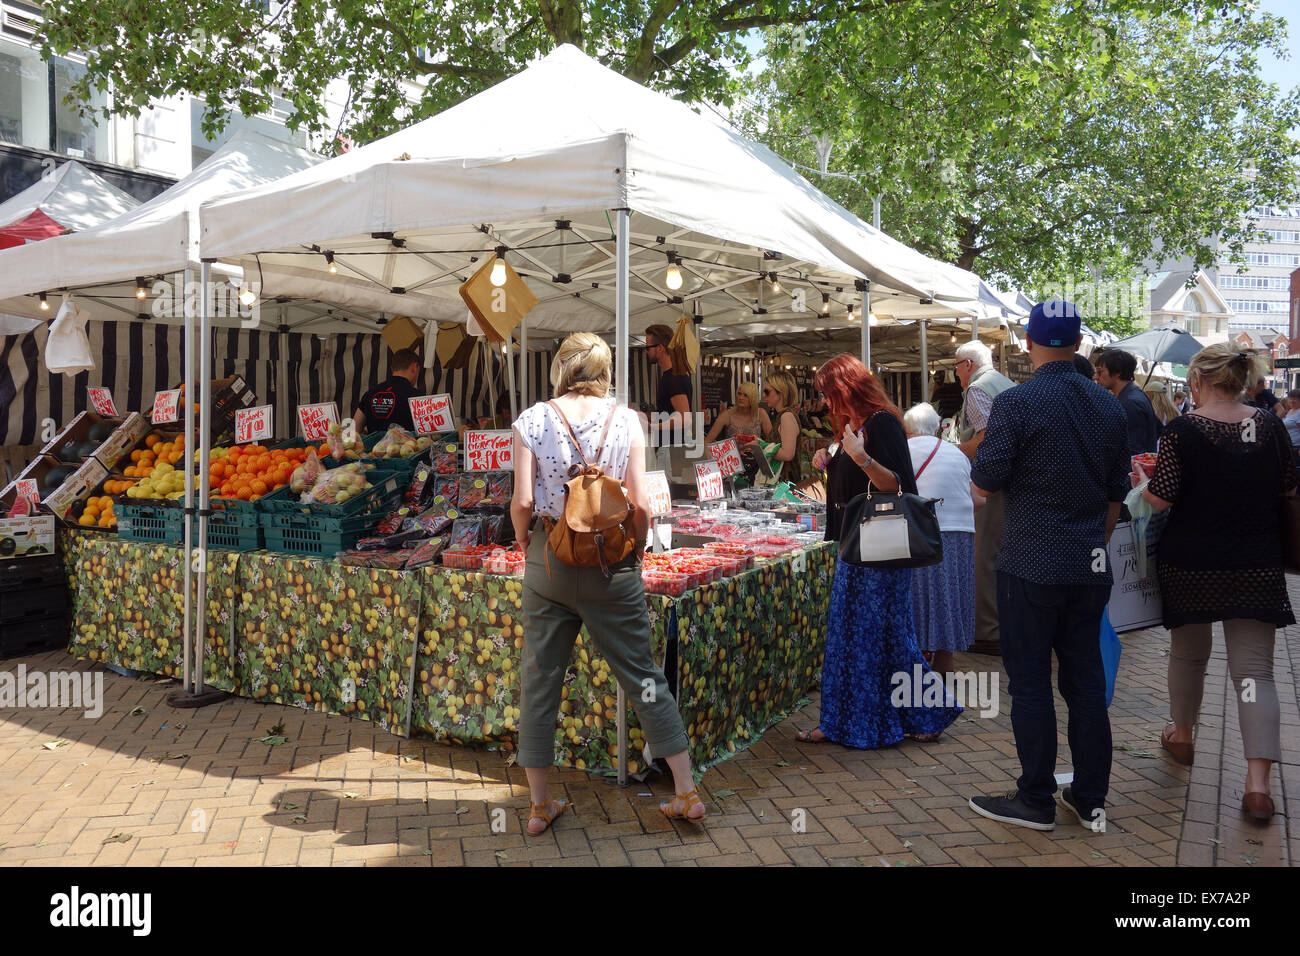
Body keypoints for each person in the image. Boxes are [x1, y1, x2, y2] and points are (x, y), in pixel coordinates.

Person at [510, 333, 705, 832]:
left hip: (549, 560)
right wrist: (635, 549)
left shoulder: (533, 419)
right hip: (611, 562)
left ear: (561, 367)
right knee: (642, 677)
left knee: (539, 680)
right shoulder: (628, 420)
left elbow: (525, 502)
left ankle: (537, 805)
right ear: (604, 368)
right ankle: (685, 790)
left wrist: (522, 543)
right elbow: (641, 505)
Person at [967, 300, 1129, 832]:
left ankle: (1035, 798)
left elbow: (985, 483)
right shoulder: (1109, 406)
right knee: (1084, 680)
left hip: (1030, 561)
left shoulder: (1017, 404)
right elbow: (1115, 493)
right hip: (1089, 563)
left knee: (1031, 682)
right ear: (1080, 341)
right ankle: (1090, 797)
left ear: (1029, 342)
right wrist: (1093, 543)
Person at [1135, 346, 1296, 823]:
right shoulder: (1268, 424)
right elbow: (1288, 482)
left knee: (1188, 654)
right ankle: (1258, 786)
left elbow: (1161, 500)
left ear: (1199, 381)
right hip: (1255, 560)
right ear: (1243, 379)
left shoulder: (1184, 430)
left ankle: (1182, 735)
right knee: (1254, 674)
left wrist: (1142, 480)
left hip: (1192, 561)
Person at [798, 355, 960, 747]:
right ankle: (840, 721)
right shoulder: (852, 426)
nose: (824, 401)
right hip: (852, 546)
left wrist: (859, 457)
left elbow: (899, 486)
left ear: (847, 387)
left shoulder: (883, 423)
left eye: (828, 392)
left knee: (880, 637)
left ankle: (917, 712)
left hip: (879, 550)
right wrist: (830, 461)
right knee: (847, 639)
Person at [903, 402, 982, 675]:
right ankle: (945, 663)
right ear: (937, 428)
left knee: (918, 595)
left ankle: (917, 662)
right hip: (959, 532)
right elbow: (975, 499)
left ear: (907, 428)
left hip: (918, 531)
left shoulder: (903, 450)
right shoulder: (956, 453)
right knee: (950, 595)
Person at [952, 340, 1016, 657]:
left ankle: (987, 631)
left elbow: (988, 434)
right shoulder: (1004, 382)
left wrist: (956, 450)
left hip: (991, 483)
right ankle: (1001, 624)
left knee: (984, 555)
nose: (955, 374)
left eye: (955, 367)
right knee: (1000, 555)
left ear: (967, 365)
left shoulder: (978, 388)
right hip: (1012, 481)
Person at [1093, 349, 1160, 458]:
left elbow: (1132, 449)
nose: (1096, 377)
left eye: (1100, 372)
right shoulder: (1136, 394)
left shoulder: (1129, 402)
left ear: (1117, 373)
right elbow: (1158, 428)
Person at [642, 324, 693, 450]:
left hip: (672, 451)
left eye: (647, 347)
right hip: (670, 449)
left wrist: (652, 427)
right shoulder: (670, 376)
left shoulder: (674, 378)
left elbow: (684, 418)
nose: (646, 351)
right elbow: (668, 413)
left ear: (660, 348)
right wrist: (646, 416)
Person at [353, 348, 421, 433]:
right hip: (406, 446)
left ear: (392, 369)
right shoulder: (418, 397)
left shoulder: (370, 393)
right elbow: (429, 434)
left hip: (373, 446)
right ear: (414, 367)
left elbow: (355, 429)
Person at [761, 370, 802, 482]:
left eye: (767, 391)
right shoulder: (783, 415)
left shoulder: (786, 416)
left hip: (784, 482)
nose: (764, 395)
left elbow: (788, 454)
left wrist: (762, 447)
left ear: (781, 392)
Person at [704, 381, 772, 446]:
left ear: (753, 398)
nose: (741, 398)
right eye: (739, 394)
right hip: (733, 457)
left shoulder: (760, 413)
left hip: (756, 456)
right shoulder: (727, 415)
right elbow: (707, 441)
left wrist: (762, 447)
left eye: (746, 395)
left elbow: (772, 441)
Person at [1283, 390, 1300, 457]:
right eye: (1290, 398)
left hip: (1297, 447)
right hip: (1289, 445)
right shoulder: (1290, 410)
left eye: (1295, 399)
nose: (1292, 401)